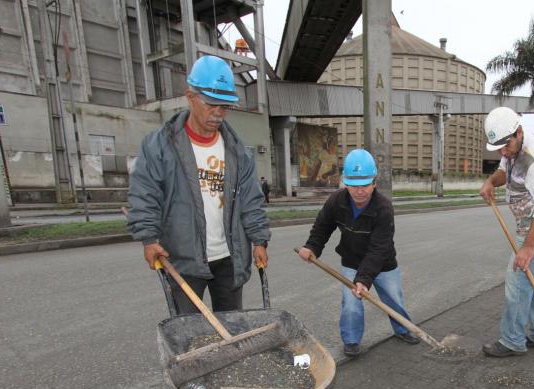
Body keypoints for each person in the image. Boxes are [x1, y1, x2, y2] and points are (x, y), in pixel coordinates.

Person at [127, 55, 270, 315]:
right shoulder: (160, 146)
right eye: (211, 104)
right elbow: (144, 194)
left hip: (230, 259)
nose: (218, 113)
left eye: (224, 107)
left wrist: (259, 240)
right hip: (183, 258)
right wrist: (148, 238)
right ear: (190, 96)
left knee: (231, 327)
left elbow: (251, 200)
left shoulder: (238, 152)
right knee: (190, 334)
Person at [297, 149, 420, 358]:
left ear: (374, 183)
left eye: (365, 185)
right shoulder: (336, 201)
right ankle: (352, 340)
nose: (359, 191)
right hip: (352, 260)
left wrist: (363, 279)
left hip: (383, 263)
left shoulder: (383, 208)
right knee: (351, 303)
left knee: (393, 300)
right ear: (345, 182)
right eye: (354, 185)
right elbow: (322, 227)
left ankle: (403, 329)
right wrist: (311, 247)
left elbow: (378, 249)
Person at [479, 107, 534, 357]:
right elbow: (503, 172)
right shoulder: (510, 148)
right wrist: (489, 182)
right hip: (528, 226)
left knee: (518, 282)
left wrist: (528, 247)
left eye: (505, 147)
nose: (503, 152)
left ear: (519, 132)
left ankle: (512, 340)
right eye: (499, 148)